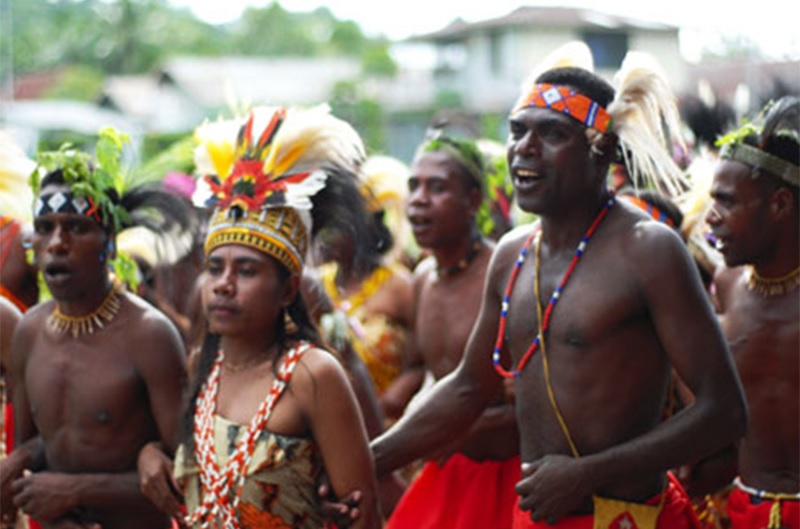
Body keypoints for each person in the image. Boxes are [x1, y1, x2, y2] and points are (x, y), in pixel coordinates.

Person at [370, 57, 748, 529]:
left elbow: (725, 411)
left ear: (602, 150)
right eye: (517, 131)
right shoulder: (513, 254)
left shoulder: (648, 250)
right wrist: (367, 462)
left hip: (627, 517)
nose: (525, 149)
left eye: (551, 134)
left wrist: (585, 475)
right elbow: (469, 387)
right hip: (536, 517)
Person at [138, 104, 382, 529]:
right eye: (215, 269)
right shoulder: (204, 365)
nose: (223, 284)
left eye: (246, 271)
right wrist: (147, 455)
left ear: (287, 289)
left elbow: (364, 519)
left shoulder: (312, 375)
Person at [0, 127, 191, 529]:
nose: (56, 242)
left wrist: (77, 490)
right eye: (45, 226)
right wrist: (18, 463)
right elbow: (51, 444)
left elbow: (185, 479)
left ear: (110, 244)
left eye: (76, 227)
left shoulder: (149, 336)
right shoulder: (29, 332)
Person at [381, 131, 520, 529]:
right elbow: (421, 368)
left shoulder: (506, 274)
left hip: (509, 481)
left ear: (473, 200)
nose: (419, 199)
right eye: (414, 186)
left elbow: (538, 399)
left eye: (437, 187)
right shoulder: (422, 279)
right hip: (448, 475)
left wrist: (445, 435)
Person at [704, 96, 799, 529]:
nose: (710, 219)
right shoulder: (724, 285)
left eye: (727, 202)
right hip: (744, 512)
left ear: (780, 205)